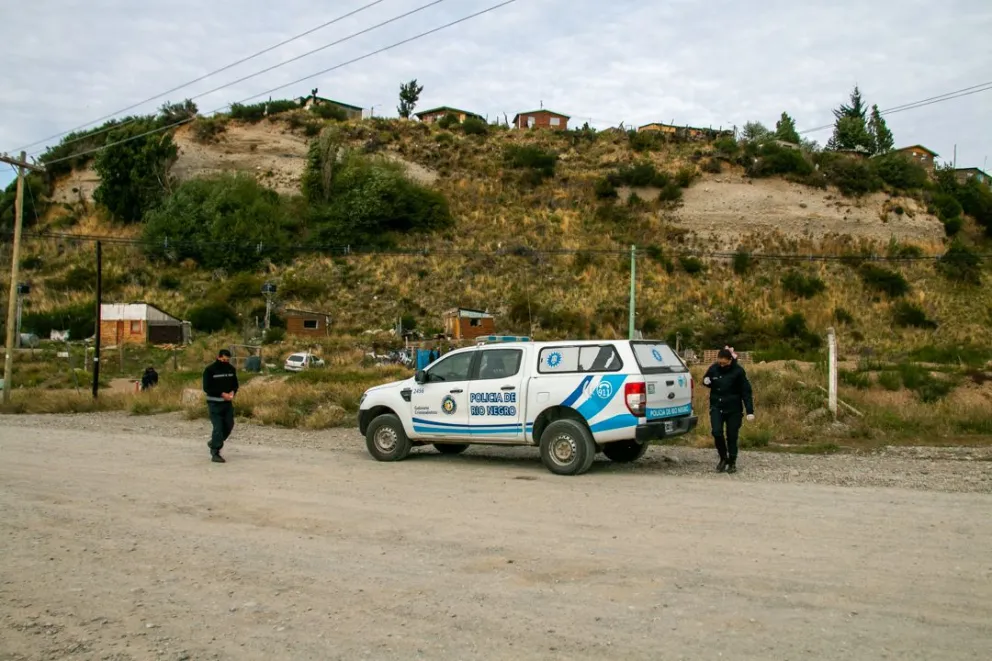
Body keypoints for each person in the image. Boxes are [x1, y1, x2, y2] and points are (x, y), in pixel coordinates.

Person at [701, 347, 754, 474]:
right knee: (717, 432)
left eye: (724, 363)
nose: (722, 365)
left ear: (730, 360)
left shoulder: (738, 371)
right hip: (716, 406)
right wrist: (706, 381)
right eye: (720, 363)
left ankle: (732, 461)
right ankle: (723, 458)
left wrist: (750, 411)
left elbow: (746, 391)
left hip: (733, 409)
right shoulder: (714, 368)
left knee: (732, 435)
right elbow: (707, 380)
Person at [202, 349, 239, 463]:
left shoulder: (231, 369)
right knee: (218, 427)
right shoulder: (210, 370)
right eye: (223, 359)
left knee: (229, 425)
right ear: (218, 357)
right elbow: (207, 387)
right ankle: (215, 452)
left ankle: (214, 441)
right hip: (214, 403)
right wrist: (222, 394)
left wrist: (232, 392)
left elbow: (235, 384)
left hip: (227, 403)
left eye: (227, 360)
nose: (225, 361)